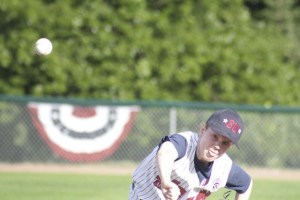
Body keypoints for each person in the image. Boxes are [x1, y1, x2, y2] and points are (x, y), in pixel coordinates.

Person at [129, 109, 253, 200]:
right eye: (214, 136)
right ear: (203, 130)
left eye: (225, 143)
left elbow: (246, 184)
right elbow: (165, 152)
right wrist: (165, 181)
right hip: (143, 196)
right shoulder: (185, 142)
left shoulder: (223, 167)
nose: (217, 145)